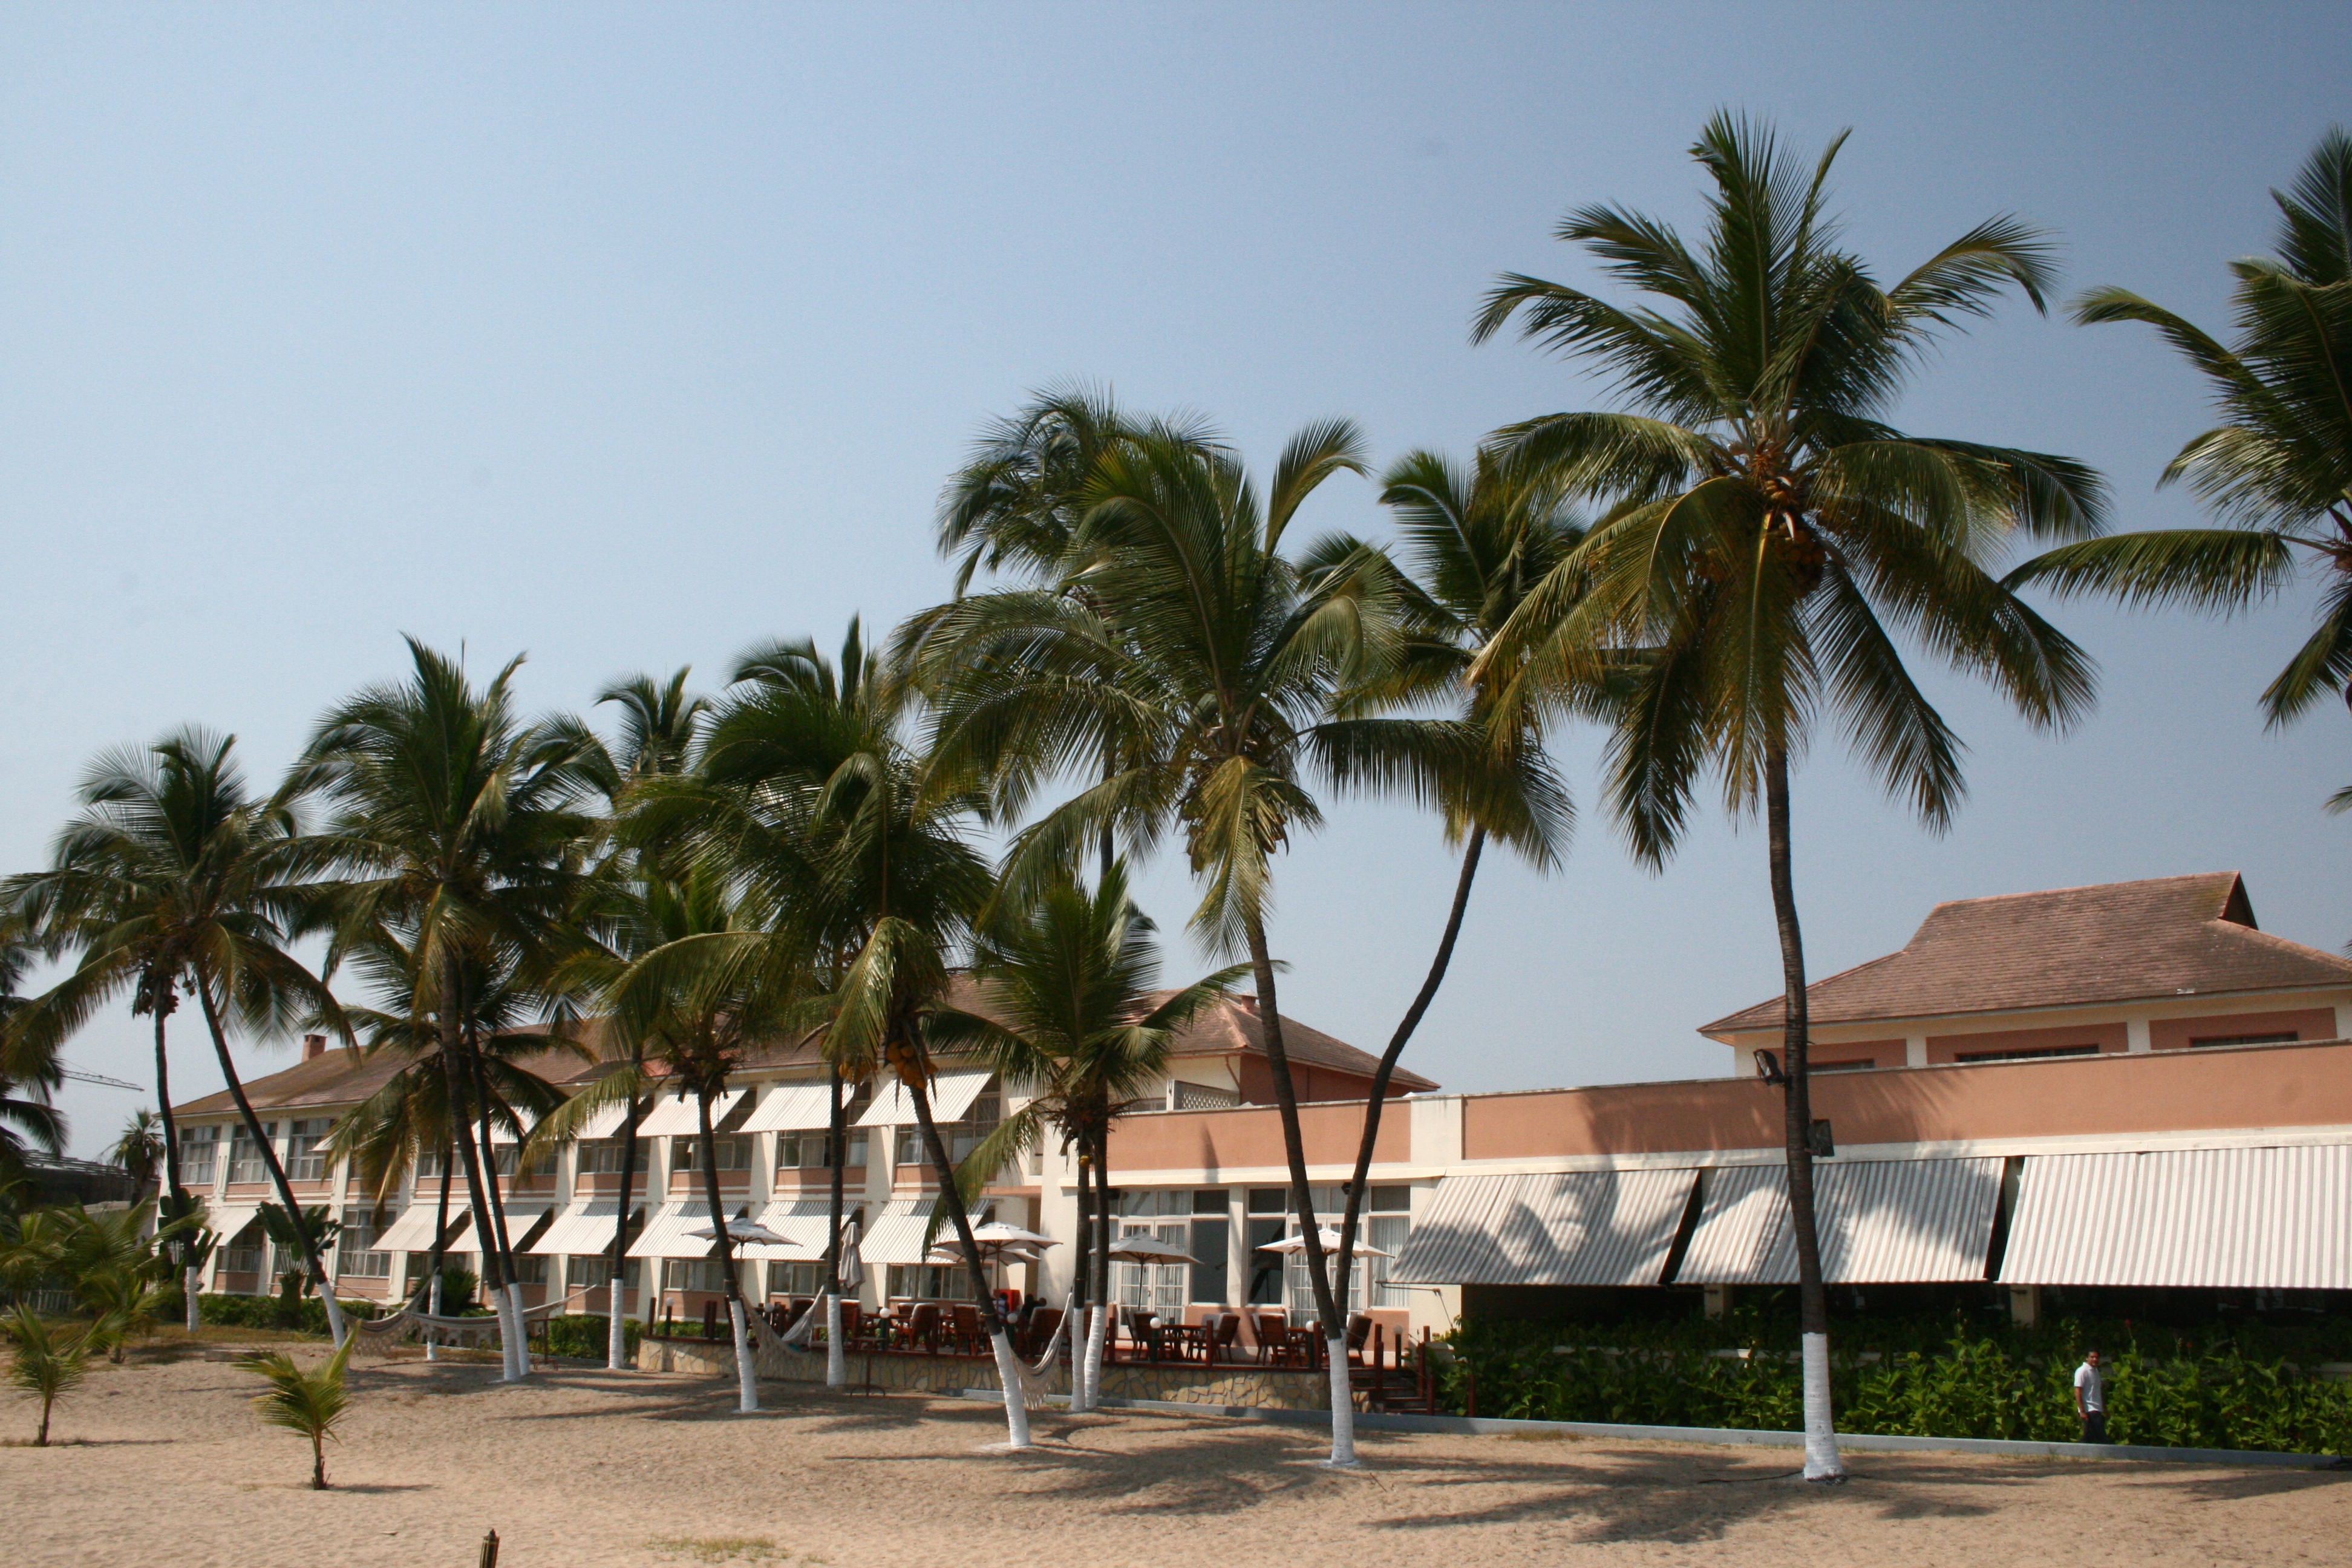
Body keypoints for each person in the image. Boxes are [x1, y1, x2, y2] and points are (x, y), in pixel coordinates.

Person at [2074, 1348, 2108, 1443]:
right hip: (2089, 1409)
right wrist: (2082, 1411)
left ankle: (2079, 1452)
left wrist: (2104, 1409)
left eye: (2096, 1357)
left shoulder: (2095, 1371)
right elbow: (2077, 1391)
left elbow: (2098, 1392)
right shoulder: (2082, 1371)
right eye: (2092, 1357)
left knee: (2089, 1436)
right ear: (2087, 1358)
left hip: (2097, 1408)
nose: (2095, 1359)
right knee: (2101, 1435)